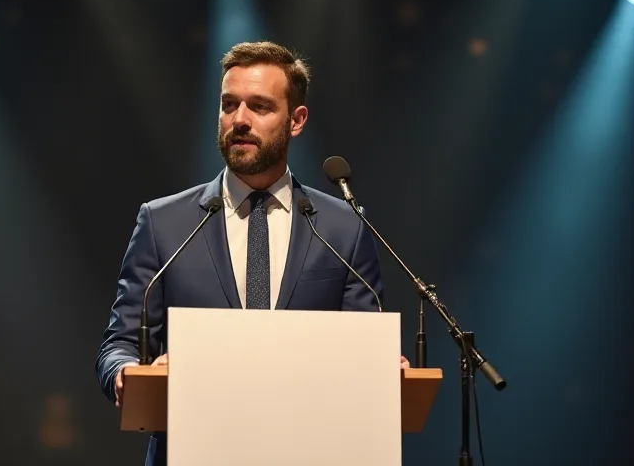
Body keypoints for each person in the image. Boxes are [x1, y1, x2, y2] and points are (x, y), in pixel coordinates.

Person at [95, 40, 407, 466]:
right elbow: (120, 343)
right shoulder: (163, 223)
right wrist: (126, 374)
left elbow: (361, 344)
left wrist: (382, 364)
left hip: (309, 451)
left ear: (296, 120)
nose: (238, 120)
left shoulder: (344, 226)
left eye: (259, 107)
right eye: (228, 105)